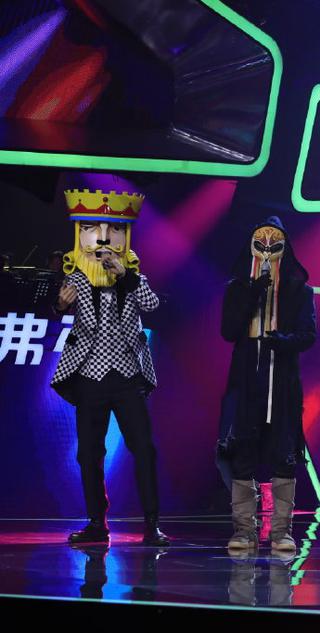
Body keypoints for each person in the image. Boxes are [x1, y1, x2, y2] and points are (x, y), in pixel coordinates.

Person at [50, 187, 168, 546]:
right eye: (93, 231)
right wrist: (59, 305)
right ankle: (96, 523)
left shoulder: (133, 278)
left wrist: (125, 276)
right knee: (89, 453)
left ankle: (151, 524)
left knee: (144, 448)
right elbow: (59, 306)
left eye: (113, 231)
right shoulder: (76, 278)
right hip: (90, 376)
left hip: (127, 375)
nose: (103, 240)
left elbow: (152, 305)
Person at [218, 217, 316, 552]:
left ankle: (281, 532)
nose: (267, 251)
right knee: (242, 452)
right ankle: (244, 530)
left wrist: (283, 341)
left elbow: (309, 334)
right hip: (247, 381)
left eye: (274, 246)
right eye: (260, 245)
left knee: (283, 454)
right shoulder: (237, 288)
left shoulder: (300, 291)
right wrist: (252, 294)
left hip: (283, 384)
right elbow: (229, 331)